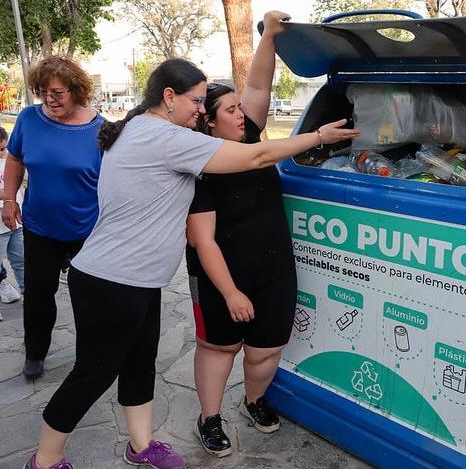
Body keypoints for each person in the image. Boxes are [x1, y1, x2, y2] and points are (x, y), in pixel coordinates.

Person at [23, 54, 359, 469]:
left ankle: (141, 446)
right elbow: (254, 156)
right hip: (111, 280)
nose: (201, 111)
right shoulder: (160, 138)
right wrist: (317, 137)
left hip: (138, 280)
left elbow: (246, 130)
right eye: (197, 101)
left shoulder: (143, 129)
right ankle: (44, 460)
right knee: (93, 374)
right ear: (169, 97)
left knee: (140, 365)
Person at [186, 11, 298, 458]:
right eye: (230, 110)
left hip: (273, 268)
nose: (243, 114)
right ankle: (209, 417)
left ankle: (254, 400)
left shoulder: (248, 133)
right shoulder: (197, 166)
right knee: (219, 348)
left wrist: (269, 34)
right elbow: (202, 240)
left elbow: (257, 87)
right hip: (220, 276)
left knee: (265, 351)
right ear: (209, 123)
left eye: (239, 108)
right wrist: (231, 292)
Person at [1, 56, 103, 380]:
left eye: (57, 93)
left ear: (77, 90)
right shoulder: (30, 119)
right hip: (40, 225)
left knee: (88, 296)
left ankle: (91, 357)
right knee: (38, 293)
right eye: (43, 92)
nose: (50, 99)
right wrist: (8, 199)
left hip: (87, 227)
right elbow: (15, 157)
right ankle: (35, 353)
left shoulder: (100, 129)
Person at [0, 126, 25, 309]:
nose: (3, 153)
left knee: (21, 261)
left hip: (17, 223)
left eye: (4, 148)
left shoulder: (10, 160)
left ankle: (30, 296)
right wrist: (10, 192)